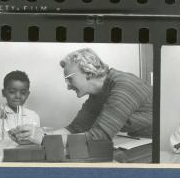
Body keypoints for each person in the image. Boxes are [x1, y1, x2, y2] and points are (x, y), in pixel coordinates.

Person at [11, 48, 152, 145]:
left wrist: (43, 139)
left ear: (89, 73)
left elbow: (99, 137)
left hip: (155, 143)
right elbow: (75, 129)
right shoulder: (97, 94)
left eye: (69, 79)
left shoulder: (124, 86)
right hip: (138, 140)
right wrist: (34, 135)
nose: (67, 86)